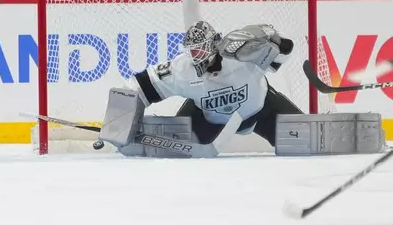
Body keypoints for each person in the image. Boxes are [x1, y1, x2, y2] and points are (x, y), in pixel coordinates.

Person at [99, 15, 300, 152]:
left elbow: (285, 51)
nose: (196, 56)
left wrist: (272, 37)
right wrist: (117, 124)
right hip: (209, 119)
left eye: (200, 49)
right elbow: (138, 87)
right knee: (175, 152)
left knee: (303, 143)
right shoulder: (182, 68)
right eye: (192, 51)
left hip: (261, 110)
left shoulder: (243, 55)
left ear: (213, 44)